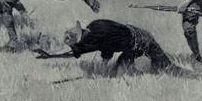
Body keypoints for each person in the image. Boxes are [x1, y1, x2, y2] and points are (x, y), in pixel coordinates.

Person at [33, 19, 176, 74]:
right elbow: (108, 48)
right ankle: (142, 75)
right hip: (133, 44)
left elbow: (71, 52)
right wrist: (104, 67)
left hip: (143, 42)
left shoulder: (93, 39)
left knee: (167, 68)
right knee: (121, 70)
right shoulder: (94, 25)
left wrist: (51, 55)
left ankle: (191, 75)